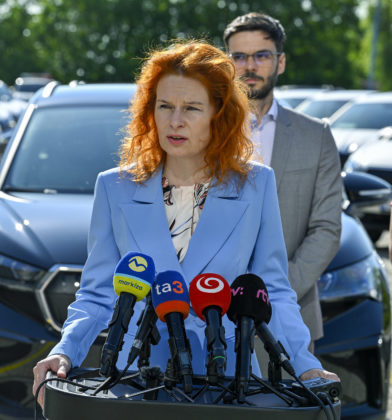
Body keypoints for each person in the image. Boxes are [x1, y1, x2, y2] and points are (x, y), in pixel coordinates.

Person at [32, 40, 338, 407]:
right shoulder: (113, 187)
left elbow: (270, 290)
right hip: (139, 379)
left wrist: (304, 365)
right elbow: (98, 294)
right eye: (165, 106)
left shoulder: (257, 185)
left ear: (218, 114)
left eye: (191, 108)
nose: (175, 121)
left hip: (230, 381)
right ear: (151, 111)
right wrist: (65, 353)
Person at [223, 13, 342, 350]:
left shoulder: (315, 135)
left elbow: (327, 228)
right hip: (208, 317)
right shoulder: (203, 130)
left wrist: (273, 290)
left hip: (290, 320)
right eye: (239, 56)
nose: (250, 66)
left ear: (281, 62)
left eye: (261, 55)